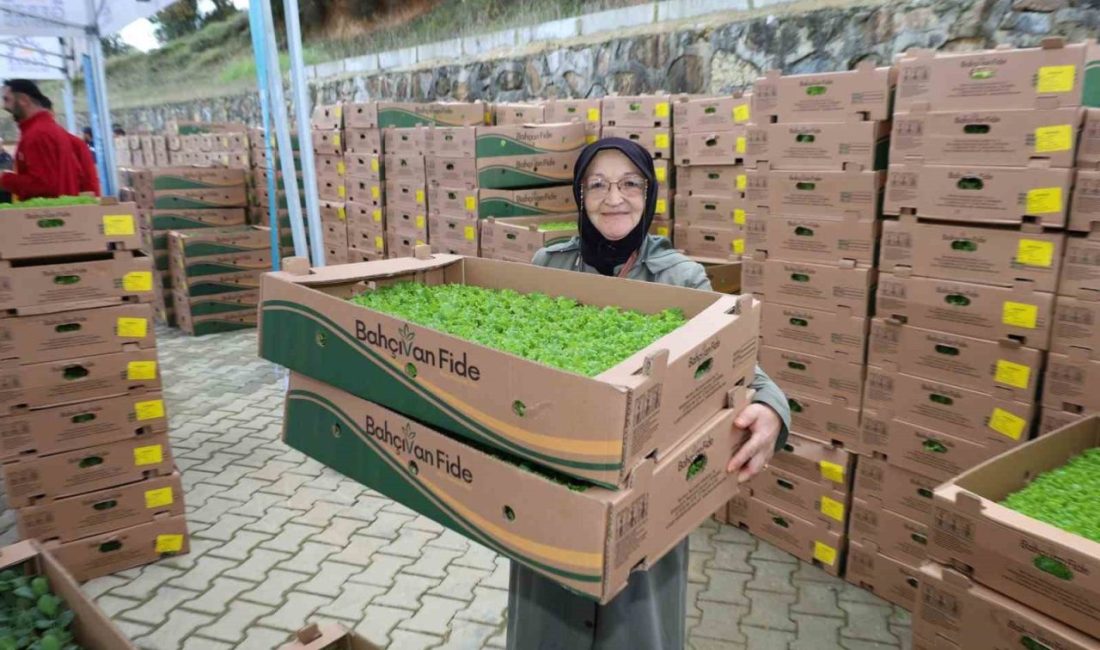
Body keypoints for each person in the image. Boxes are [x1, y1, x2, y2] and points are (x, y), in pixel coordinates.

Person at [507, 137, 791, 650]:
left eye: (629, 183)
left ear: (649, 194)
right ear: (579, 194)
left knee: (635, 628)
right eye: (597, 184)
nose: (613, 197)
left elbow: (739, 367)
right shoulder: (548, 265)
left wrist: (772, 410)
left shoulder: (680, 278)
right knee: (546, 622)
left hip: (647, 487)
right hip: (555, 479)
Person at [0, 79, 82, 200]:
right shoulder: (50, 129)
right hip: (61, 211)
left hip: (47, 215)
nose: (4, 106)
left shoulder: (37, 134)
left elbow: (43, 185)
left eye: (7, 99)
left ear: (23, 100)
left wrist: (4, 178)